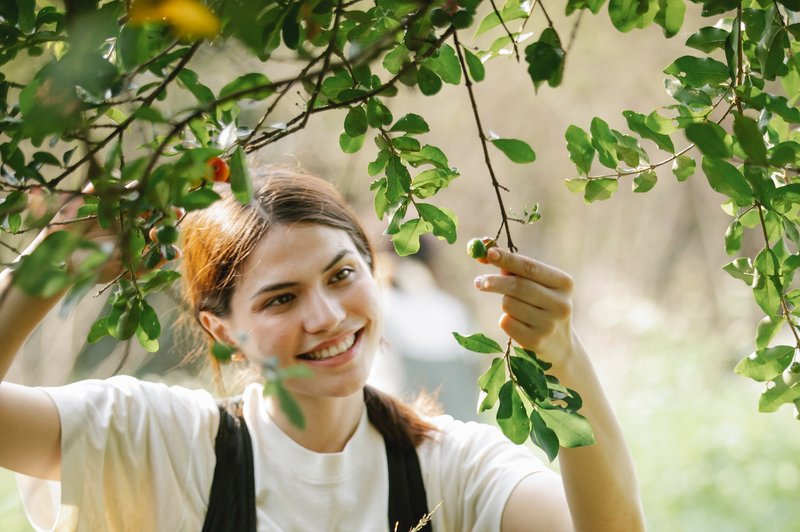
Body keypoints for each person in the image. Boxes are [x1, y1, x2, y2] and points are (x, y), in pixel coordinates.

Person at [0, 165, 645, 531]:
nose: (327, 317)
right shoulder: (163, 443)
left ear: (375, 271)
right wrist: (51, 262)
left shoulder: (455, 470)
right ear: (224, 330)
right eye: (281, 299)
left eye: (342, 275)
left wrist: (566, 357)